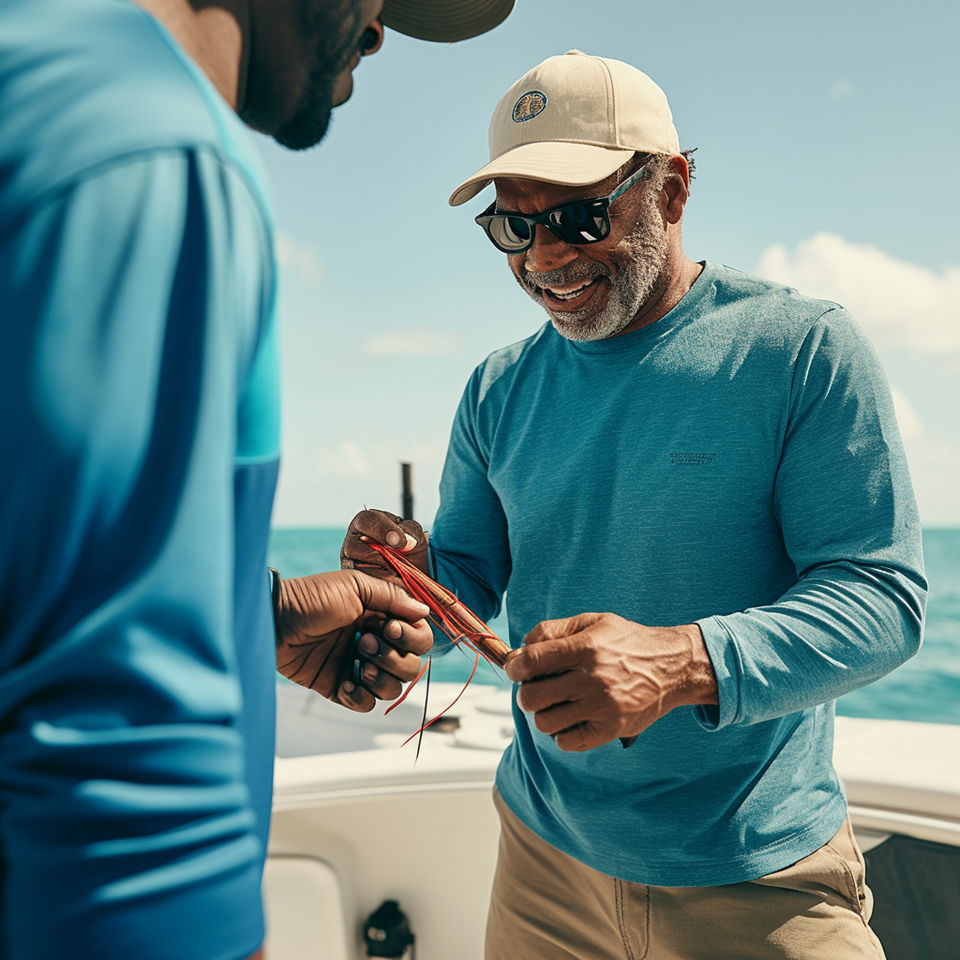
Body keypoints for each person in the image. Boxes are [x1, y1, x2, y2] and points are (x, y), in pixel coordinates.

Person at [343, 50, 927, 960]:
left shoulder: (801, 348)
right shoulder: (497, 388)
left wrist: (683, 662)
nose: (544, 258)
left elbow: (883, 601)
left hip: (757, 878)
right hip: (542, 861)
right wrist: (396, 582)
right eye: (514, 227)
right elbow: (466, 579)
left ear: (674, 187)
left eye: (579, 217)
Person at [0, 1, 514, 958]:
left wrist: (259, 616)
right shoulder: (157, 153)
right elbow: (117, 742)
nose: (375, 33)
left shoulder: (44, 79)